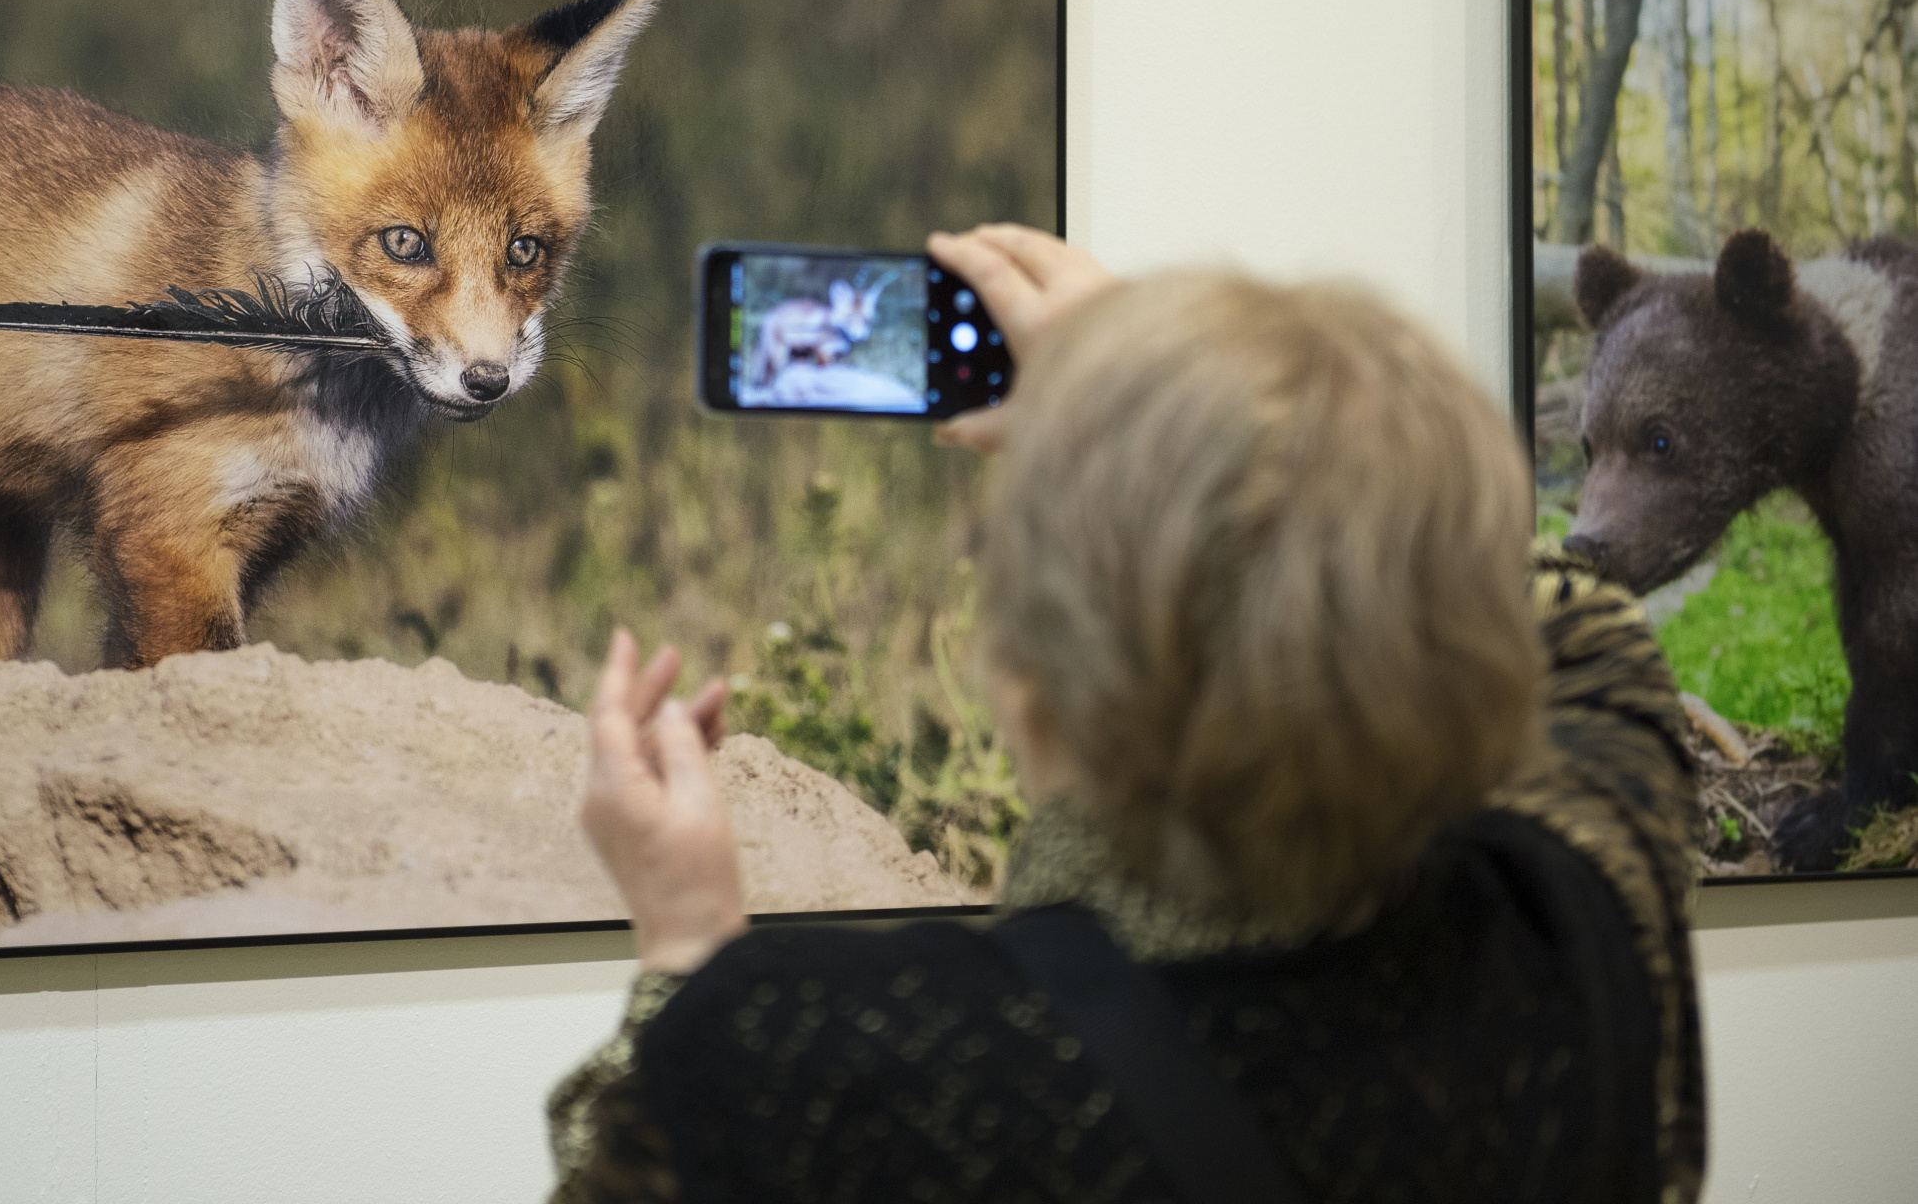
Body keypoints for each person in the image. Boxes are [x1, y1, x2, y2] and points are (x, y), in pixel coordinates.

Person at [547, 225, 1704, 1203]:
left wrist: (689, 956)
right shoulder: (1572, 943)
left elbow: (646, 1157)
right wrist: (1211, 415)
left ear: (1021, 675)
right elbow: (1584, 630)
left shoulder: (797, 1068)